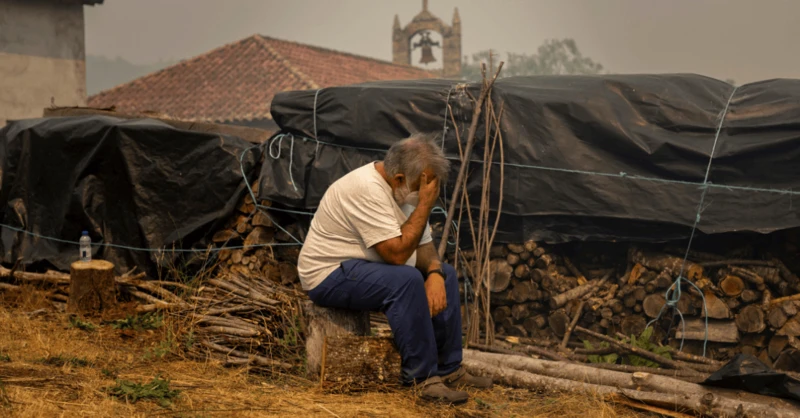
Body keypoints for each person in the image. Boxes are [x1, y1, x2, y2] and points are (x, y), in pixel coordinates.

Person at [298, 133, 492, 404]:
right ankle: (422, 379)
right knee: (407, 279)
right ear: (400, 178)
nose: (427, 191)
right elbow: (398, 255)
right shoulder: (366, 188)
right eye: (422, 186)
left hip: (364, 268)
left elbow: (423, 247)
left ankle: (449, 369)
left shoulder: (403, 189)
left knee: (445, 274)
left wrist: (434, 272)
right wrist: (425, 204)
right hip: (327, 274)